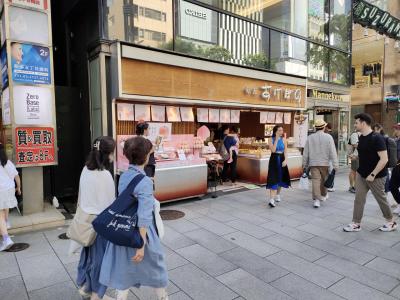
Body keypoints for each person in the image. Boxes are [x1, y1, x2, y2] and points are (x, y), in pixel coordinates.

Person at [99, 136, 168, 300]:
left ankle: (121, 297)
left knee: (125, 269)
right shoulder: (144, 181)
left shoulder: (124, 175)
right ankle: (163, 298)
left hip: (125, 229)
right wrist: (141, 244)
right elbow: (144, 215)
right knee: (156, 268)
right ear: (145, 157)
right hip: (142, 233)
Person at [76, 137, 116, 300]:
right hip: (100, 223)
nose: (113, 157)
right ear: (107, 155)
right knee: (100, 259)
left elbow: (80, 195)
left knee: (89, 256)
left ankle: (87, 286)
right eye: (112, 153)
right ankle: (95, 295)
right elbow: (110, 204)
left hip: (85, 220)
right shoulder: (105, 175)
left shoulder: (86, 169)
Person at [343, 113, 397, 232]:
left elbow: (384, 159)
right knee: (359, 199)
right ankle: (356, 223)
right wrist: (355, 157)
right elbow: (364, 154)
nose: (355, 124)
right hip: (362, 174)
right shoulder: (361, 137)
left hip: (376, 176)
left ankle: (391, 222)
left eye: (356, 122)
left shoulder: (377, 138)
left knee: (381, 199)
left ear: (363, 123)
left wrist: (373, 174)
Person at [303, 119, 338, 208]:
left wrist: (304, 164)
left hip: (313, 163)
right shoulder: (328, 137)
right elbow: (333, 151)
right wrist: (335, 164)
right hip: (325, 163)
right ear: (324, 127)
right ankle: (323, 195)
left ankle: (317, 200)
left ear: (316, 128)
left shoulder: (310, 138)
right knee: (324, 181)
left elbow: (305, 152)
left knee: (315, 181)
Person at [0, 144, 21, 251]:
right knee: (5, 206)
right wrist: (19, 188)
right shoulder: (7, 162)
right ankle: (6, 222)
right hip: (9, 189)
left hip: (1, 190)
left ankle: (6, 239)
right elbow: (16, 176)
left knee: (0, 215)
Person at [266, 125, 291, 207]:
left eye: (282, 130)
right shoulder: (270, 139)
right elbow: (273, 150)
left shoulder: (284, 139)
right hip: (274, 159)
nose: (281, 132)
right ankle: (271, 200)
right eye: (279, 130)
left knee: (280, 177)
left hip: (282, 159)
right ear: (275, 131)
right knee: (273, 178)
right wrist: (276, 140)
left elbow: (286, 151)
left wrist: (286, 160)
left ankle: (278, 194)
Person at [348, 127, 359, 193]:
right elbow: (355, 145)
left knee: (356, 171)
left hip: (358, 155)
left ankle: (355, 186)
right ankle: (352, 186)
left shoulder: (360, 134)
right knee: (353, 171)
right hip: (355, 155)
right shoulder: (355, 134)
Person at [325, 123, 335, 192]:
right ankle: (329, 185)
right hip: (329, 155)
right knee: (329, 171)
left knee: (330, 171)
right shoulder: (331, 134)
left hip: (328, 156)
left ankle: (330, 185)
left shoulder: (329, 135)